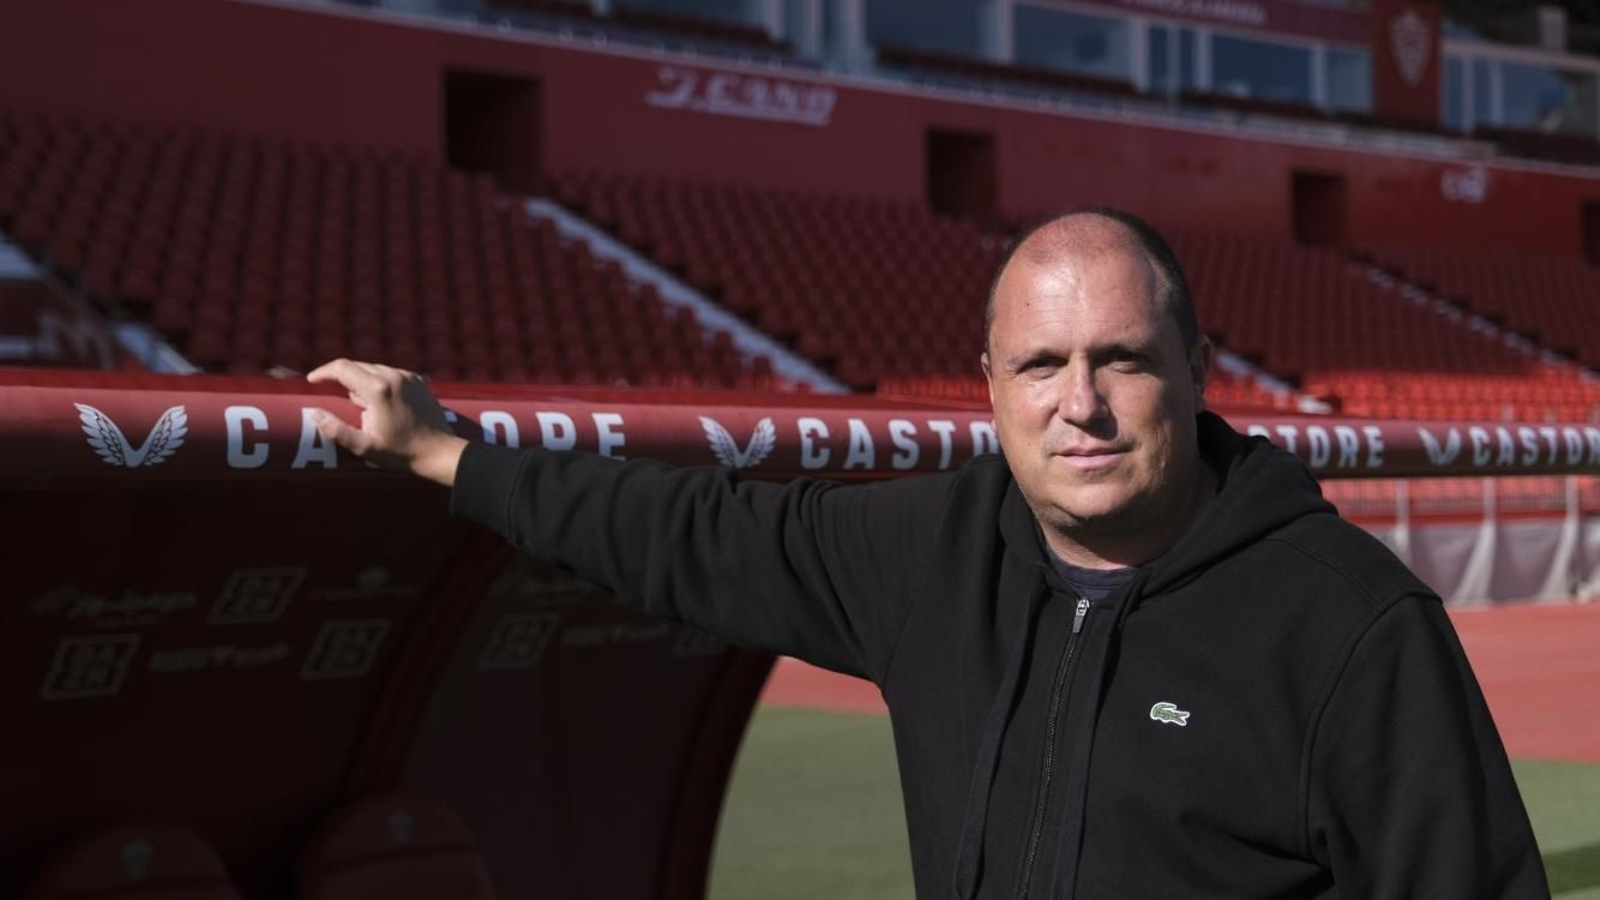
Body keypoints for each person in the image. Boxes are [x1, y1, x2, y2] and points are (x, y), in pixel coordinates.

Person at [306, 209, 1549, 898]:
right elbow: (684, 530)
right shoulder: (929, 553)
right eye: (1040, 366)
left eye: (1120, 359)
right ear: (990, 388)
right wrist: (450, 458)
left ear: (1196, 372)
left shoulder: (1347, 624)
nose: (1080, 404)